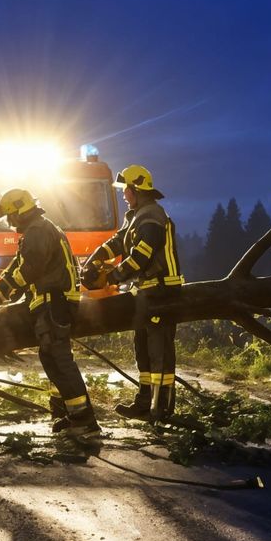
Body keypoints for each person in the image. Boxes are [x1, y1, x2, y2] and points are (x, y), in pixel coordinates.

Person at [0, 188, 100, 437]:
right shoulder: (36, 230)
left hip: (54, 302)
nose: (10, 222)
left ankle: (85, 420)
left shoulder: (37, 231)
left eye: (11, 216)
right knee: (50, 358)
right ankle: (72, 414)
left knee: (60, 358)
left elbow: (28, 271)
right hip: (51, 301)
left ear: (21, 211)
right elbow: (17, 267)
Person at [82, 164, 186, 420]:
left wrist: (111, 277)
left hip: (162, 292)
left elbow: (140, 257)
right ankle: (143, 402)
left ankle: (161, 408)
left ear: (136, 190)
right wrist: (96, 257)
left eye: (126, 190)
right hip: (145, 293)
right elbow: (118, 241)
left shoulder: (152, 217)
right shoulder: (136, 215)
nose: (123, 195)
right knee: (143, 349)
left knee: (159, 352)